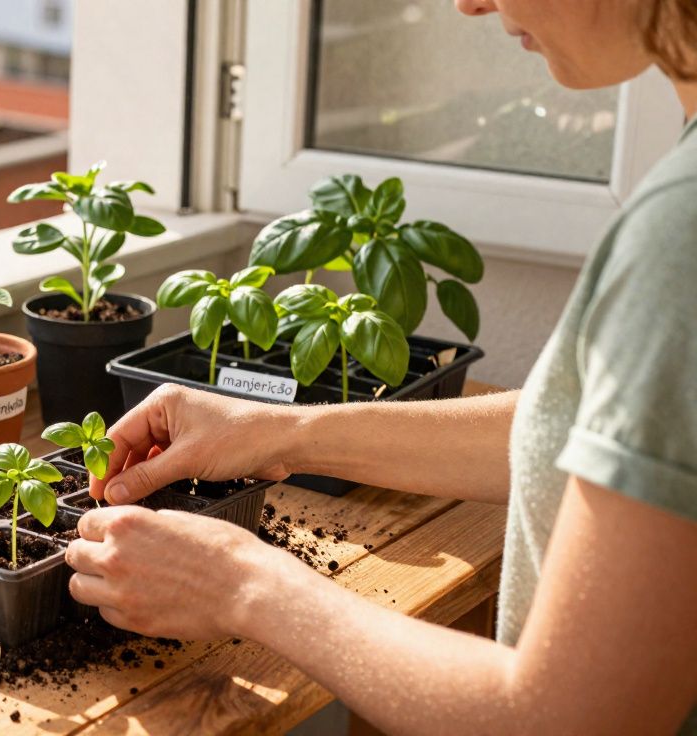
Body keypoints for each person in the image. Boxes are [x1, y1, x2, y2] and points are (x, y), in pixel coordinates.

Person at [64, 1, 697, 733]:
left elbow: (563, 719)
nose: (470, 2)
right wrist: (284, 434)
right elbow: (581, 430)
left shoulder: (677, 239)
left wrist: (245, 583)